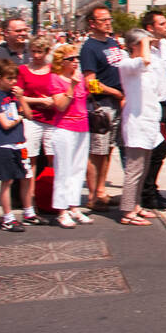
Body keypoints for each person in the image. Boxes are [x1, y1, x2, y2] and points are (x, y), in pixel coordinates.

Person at [79, 7, 125, 209]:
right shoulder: (90, 48)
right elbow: (90, 82)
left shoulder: (112, 42)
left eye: (109, 18)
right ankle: (92, 196)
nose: (108, 22)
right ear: (92, 23)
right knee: (96, 151)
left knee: (108, 149)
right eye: (103, 19)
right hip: (101, 104)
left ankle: (101, 190)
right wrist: (114, 93)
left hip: (116, 103)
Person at [116, 28, 162, 226]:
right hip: (136, 123)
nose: (149, 48)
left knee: (143, 169)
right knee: (133, 170)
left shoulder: (146, 66)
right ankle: (127, 210)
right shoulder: (127, 64)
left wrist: (154, 43)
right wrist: (144, 42)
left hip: (149, 122)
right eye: (145, 44)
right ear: (134, 46)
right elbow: (143, 60)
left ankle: (136, 205)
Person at [48, 44, 92, 229]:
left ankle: (74, 206)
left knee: (78, 169)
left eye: (76, 59)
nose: (75, 62)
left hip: (82, 126)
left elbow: (85, 97)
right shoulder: (55, 79)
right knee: (63, 170)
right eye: (71, 59)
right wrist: (72, 87)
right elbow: (60, 105)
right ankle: (61, 210)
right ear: (61, 62)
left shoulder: (80, 77)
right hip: (64, 128)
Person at [0, 59, 33, 233]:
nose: (13, 82)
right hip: (3, 142)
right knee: (7, 180)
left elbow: (29, 114)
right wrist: (18, 118)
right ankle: (8, 217)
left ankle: (29, 212)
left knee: (26, 176)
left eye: (15, 78)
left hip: (19, 140)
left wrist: (21, 98)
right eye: (9, 78)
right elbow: (5, 123)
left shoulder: (14, 95)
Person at [16, 37, 59, 222]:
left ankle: (52, 199)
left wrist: (52, 101)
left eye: (40, 52)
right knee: (30, 161)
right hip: (31, 118)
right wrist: (40, 101)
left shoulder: (53, 70)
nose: (36, 55)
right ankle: (30, 201)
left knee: (53, 160)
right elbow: (19, 95)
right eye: (33, 51)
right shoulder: (24, 70)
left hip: (51, 119)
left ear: (47, 51)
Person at [136, 11, 166, 209]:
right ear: (150, 28)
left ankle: (152, 189)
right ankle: (145, 193)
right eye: (162, 23)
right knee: (151, 151)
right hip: (149, 105)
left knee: (161, 151)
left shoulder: (165, 47)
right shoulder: (143, 50)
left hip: (163, 103)